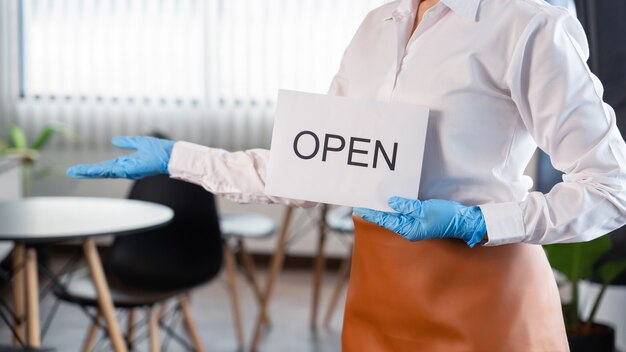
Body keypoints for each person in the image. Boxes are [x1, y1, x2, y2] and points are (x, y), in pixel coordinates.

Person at [67, 0, 626, 350]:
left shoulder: (528, 25)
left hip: (488, 305)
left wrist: (476, 221)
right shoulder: (374, 27)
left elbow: (611, 188)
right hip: (379, 298)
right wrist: (177, 159)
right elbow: (311, 170)